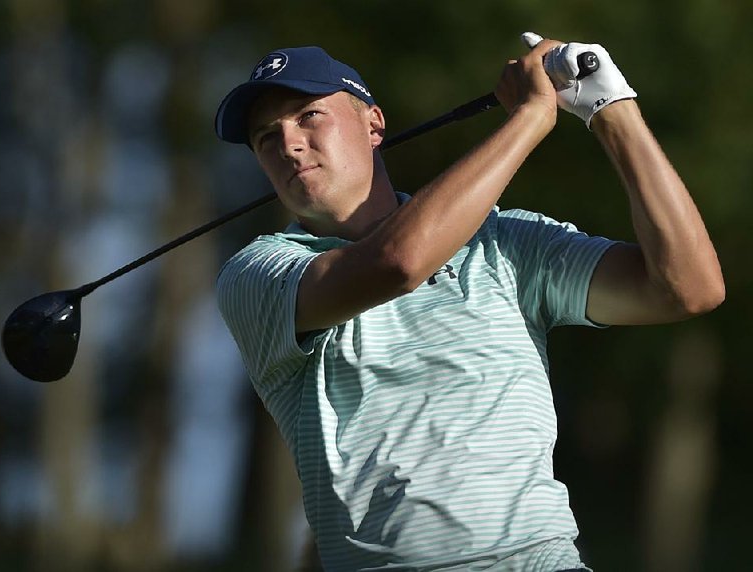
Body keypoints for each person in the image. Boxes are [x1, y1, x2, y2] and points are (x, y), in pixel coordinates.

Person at [212, 34, 724, 572]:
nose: (289, 144)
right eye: (266, 137)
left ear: (374, 125)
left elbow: (687, 287)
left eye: (310, 115)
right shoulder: (257, 274)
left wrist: (611, 109)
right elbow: (399, 263)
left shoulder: (505, 244)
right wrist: (528, 120)